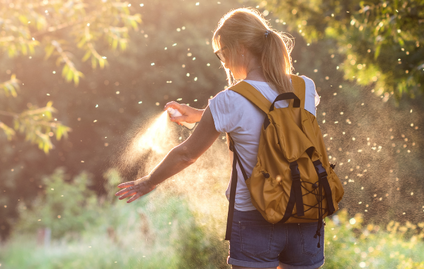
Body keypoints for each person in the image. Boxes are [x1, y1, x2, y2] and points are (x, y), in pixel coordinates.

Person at [115, 8, 323, 269]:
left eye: (222, 52)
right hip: (306, 213)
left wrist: (148, 181)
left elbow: (186, 154)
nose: (223, 62)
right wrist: (200, 115)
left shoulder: (229, 101)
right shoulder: (305, 87)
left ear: (241, 48)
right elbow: (270, 113)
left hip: (256, 216)